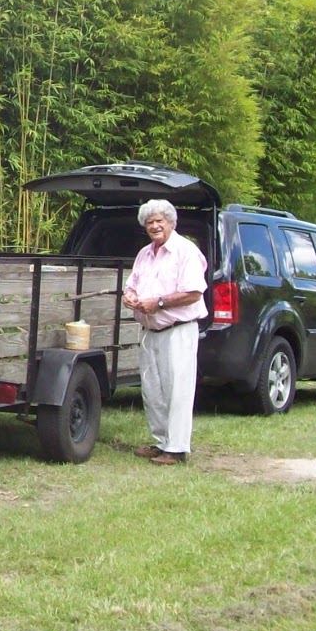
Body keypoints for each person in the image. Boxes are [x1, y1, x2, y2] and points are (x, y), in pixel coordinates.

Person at [121, 199, 208, 465]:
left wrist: (157, 302)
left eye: (160, 221)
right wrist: (131, 297)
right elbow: (132, 284)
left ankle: (178, 448)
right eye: (150, 222)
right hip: (150, 330)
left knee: (177, 389)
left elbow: (193, 293)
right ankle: (161, 442)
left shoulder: (186, 251)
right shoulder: (144, 253)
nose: (155, 226)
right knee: (152, 388)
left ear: (171, 222)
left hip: (177, 330)